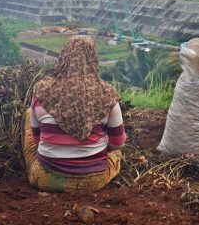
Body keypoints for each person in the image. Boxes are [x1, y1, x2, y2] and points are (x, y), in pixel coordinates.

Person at [24, 35, 126, 193]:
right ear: (93, 59)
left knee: (28, 114)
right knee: (118, 153)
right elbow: (118, 143)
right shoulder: (107, 94)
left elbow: (37, 139)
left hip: (45, 179)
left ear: (63, 57)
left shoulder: (41, 90)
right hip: (93, 181)